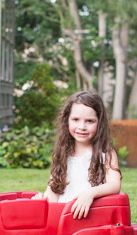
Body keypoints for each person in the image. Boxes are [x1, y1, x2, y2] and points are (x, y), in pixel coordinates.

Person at [33, 91, 122, 219]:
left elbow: (114, 185)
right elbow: (54, 191)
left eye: (89, 121)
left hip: (93, 217)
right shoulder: (62, 153)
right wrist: (43, 200)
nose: (82, 126)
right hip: (64, 218)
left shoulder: (105, 152)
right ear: (67, 120)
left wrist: (90, 194)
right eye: (75, 120)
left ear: (99, 123)